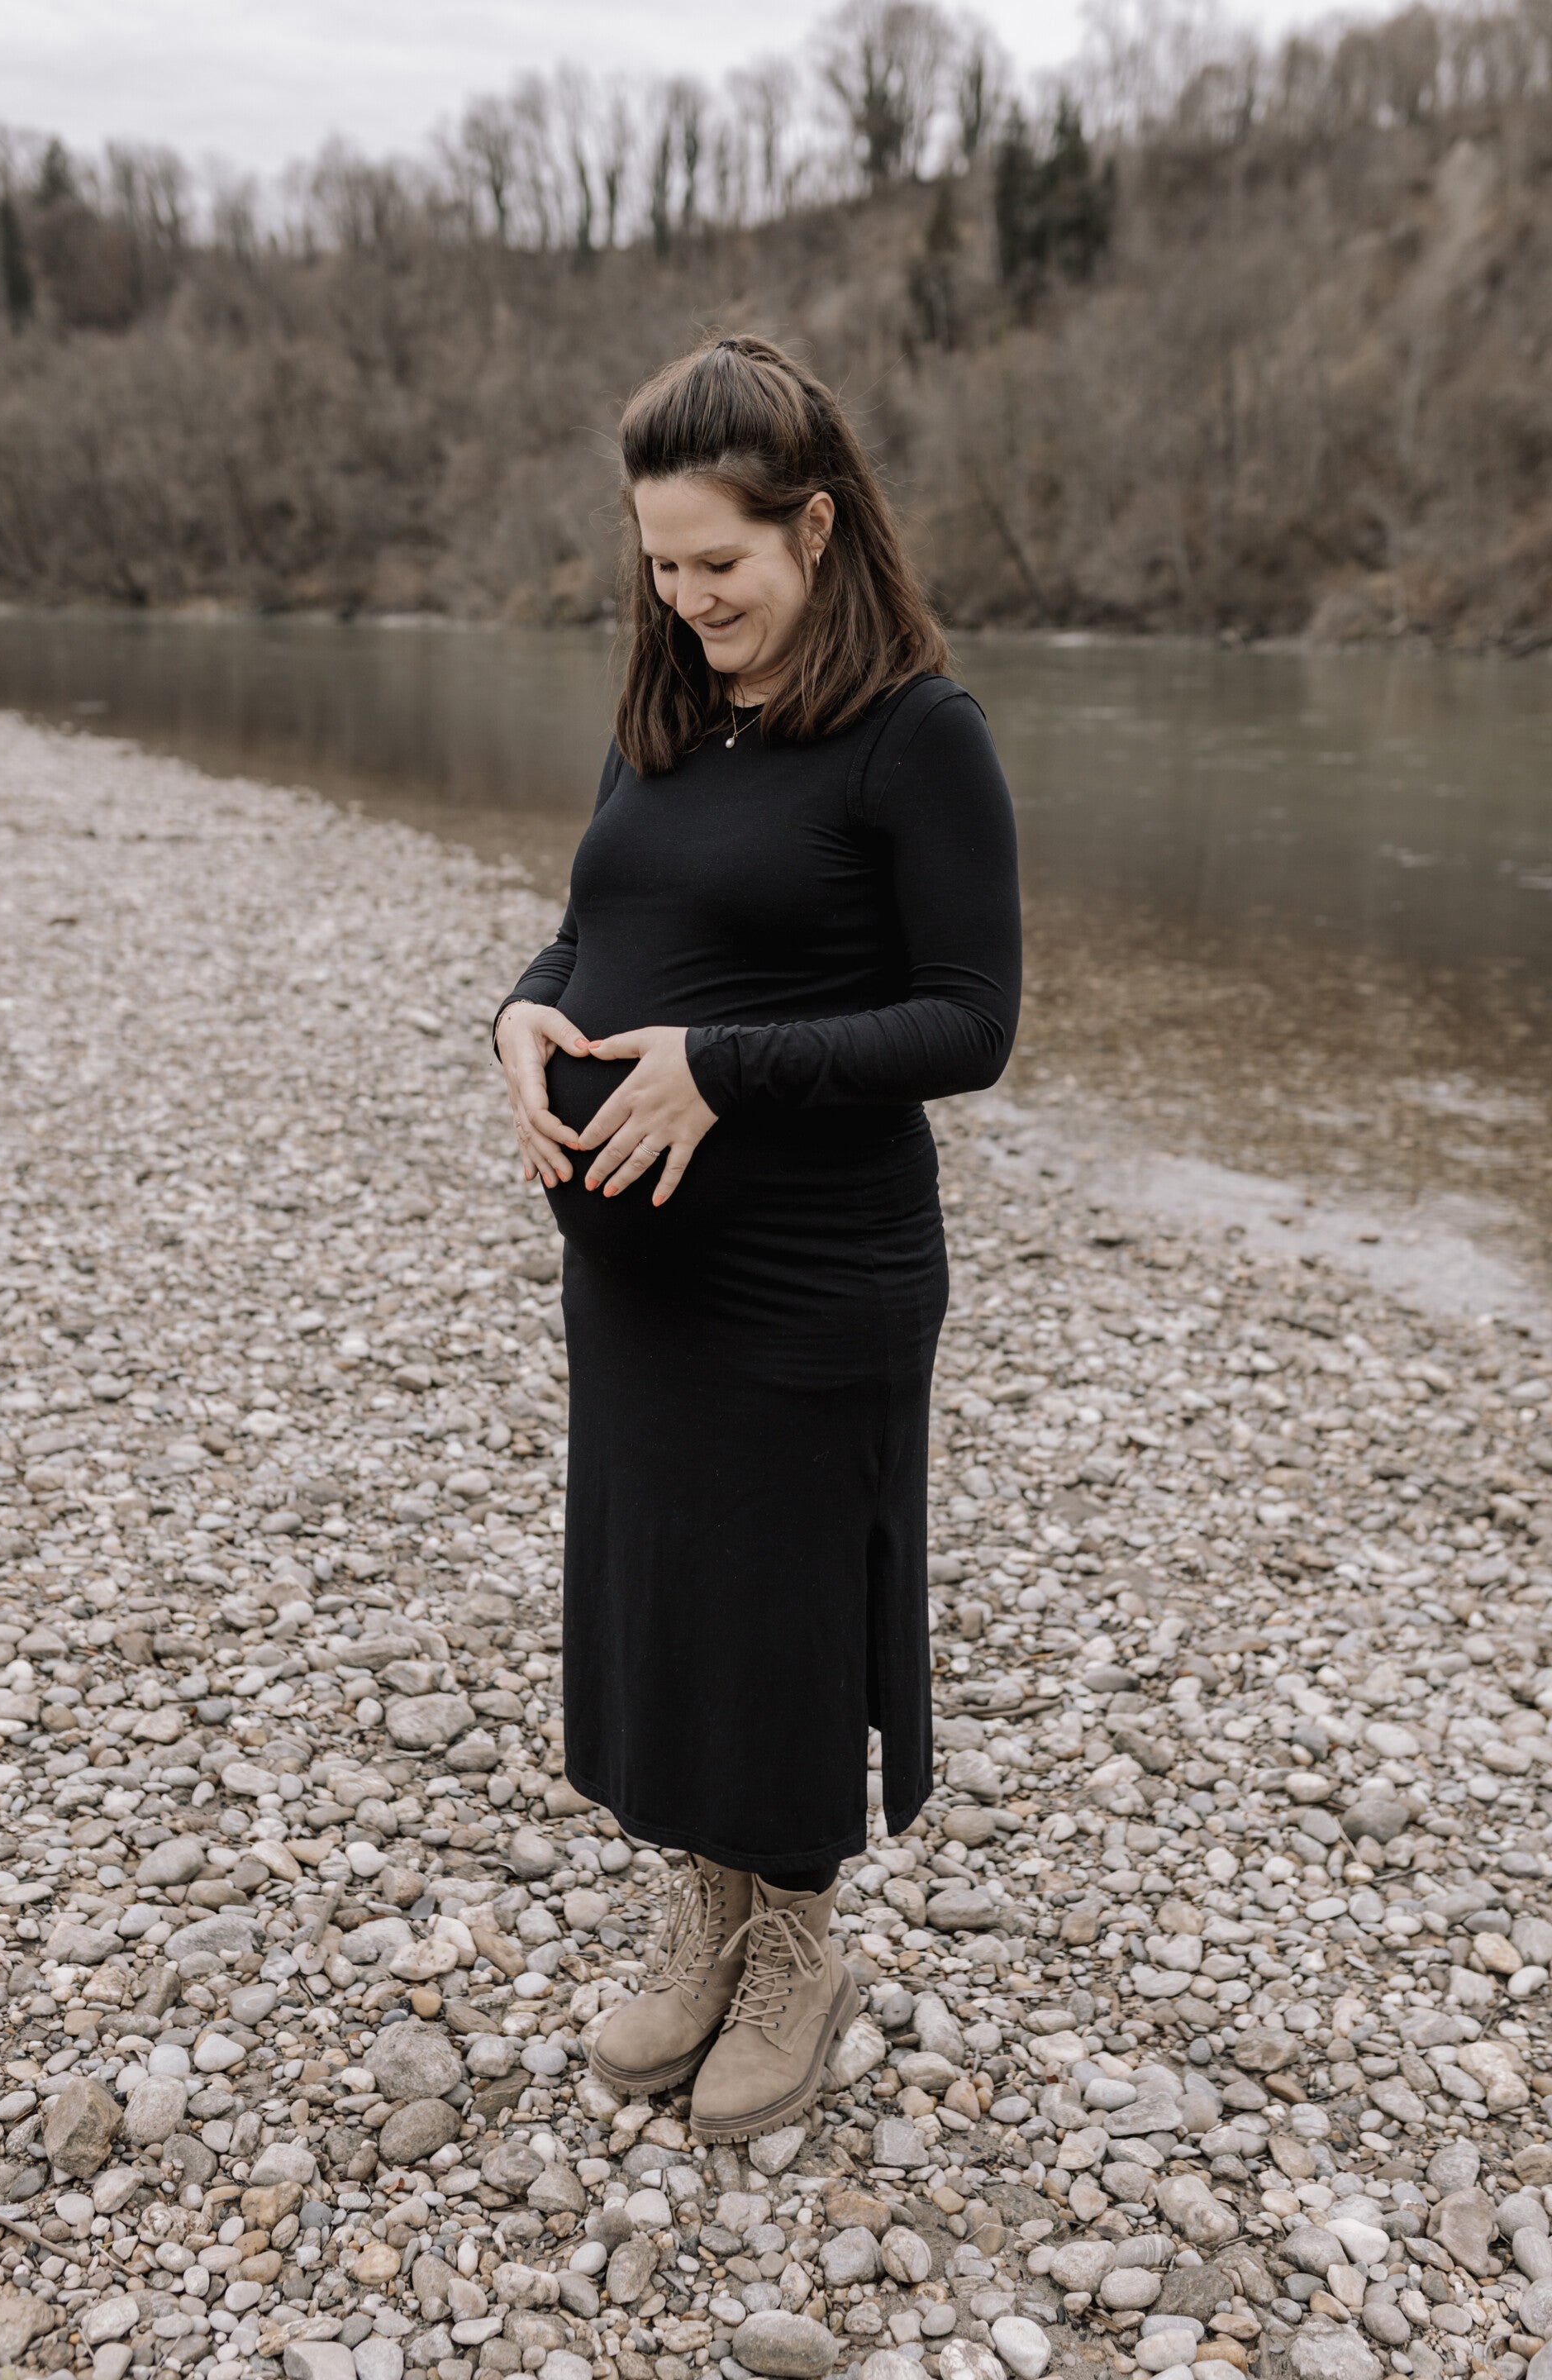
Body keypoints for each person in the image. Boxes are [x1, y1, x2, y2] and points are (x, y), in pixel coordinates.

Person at [493, 333, 1021, 2144]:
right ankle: (706, 1908)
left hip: (815, 1273)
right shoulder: (665, 717)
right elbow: (596, 927)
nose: (688, 598)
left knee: (787, 1605)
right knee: (674, 1588)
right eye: (661, 565)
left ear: (816, 526)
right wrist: (524, 1010)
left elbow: (971, 1023)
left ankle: (798, 1940)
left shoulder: (919, 737)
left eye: (718, 562)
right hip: (639, 1281)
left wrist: (722, 1067)